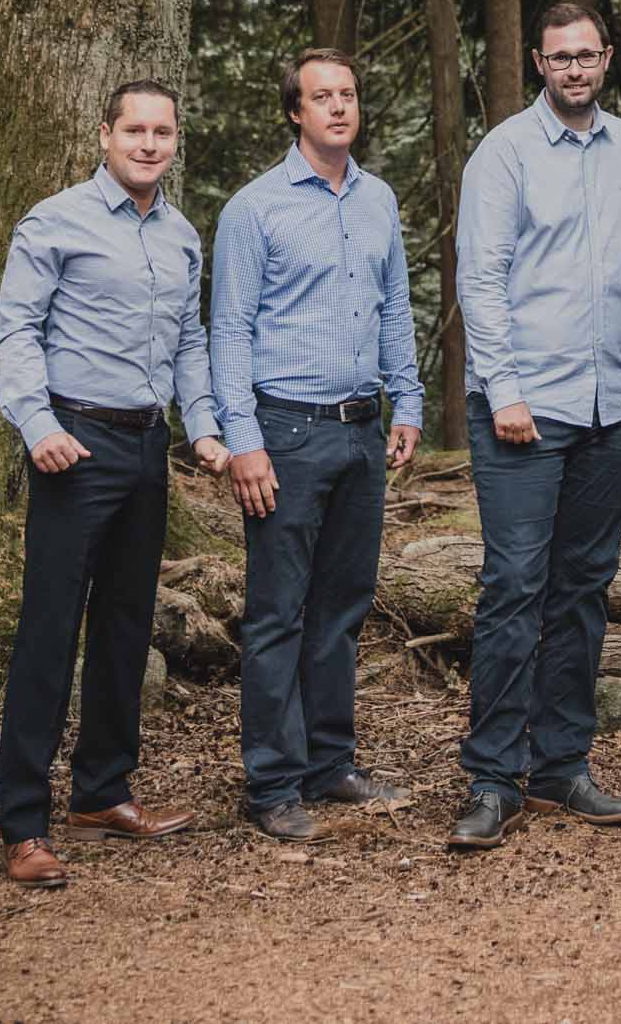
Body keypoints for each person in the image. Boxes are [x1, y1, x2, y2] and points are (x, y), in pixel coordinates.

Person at [0, 80, 230, 888]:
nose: (149, 144)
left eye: (162, 132)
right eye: (135, 130)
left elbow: (191, 340)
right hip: (73, 442)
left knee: (127, 626)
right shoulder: (54, 220)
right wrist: (38, 426)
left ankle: (101, 793)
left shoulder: (181, 233)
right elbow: (16, 330)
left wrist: (202, 425)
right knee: (50, 631)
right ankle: (23, 823)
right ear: (105, 135)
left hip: (145, 446)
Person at [447, 0, 621, 849]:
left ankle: (562, 763)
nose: (574, 69)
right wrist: (502, 389)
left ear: (606, 58)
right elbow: (483, 278)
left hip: (613, 407)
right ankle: (492, 776)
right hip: (524, 415)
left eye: (586, 55)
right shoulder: (505, 152)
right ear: (538, 63)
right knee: (512, 591)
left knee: (582, 590)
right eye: (557, 57)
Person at [210, 48, 422, 841]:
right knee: (277, 615)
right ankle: (271, 784)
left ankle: (331, 764)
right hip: (285, 434)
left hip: (362, 430)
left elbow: (392, 305)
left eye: (347, 95)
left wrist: (407, 402)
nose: (337, 107)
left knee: (342, 608)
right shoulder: (254, 209)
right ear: (294, 112)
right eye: (320, 97)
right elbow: (227, 329)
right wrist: (242, 441)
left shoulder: (377, 201)